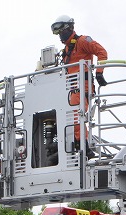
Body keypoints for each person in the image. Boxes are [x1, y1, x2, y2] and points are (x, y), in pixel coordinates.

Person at [50, 15, 108, 153]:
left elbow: (102, 52)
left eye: (61, 32)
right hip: (70, 88)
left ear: (69, 28)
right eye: (57, 33)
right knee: (66, 115)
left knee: (75, 115)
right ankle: (73, 144)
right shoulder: (66, 51)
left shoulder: (82, 41)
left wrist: (99, 72)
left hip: (81, 86)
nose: (60, 36)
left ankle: (83, 145)